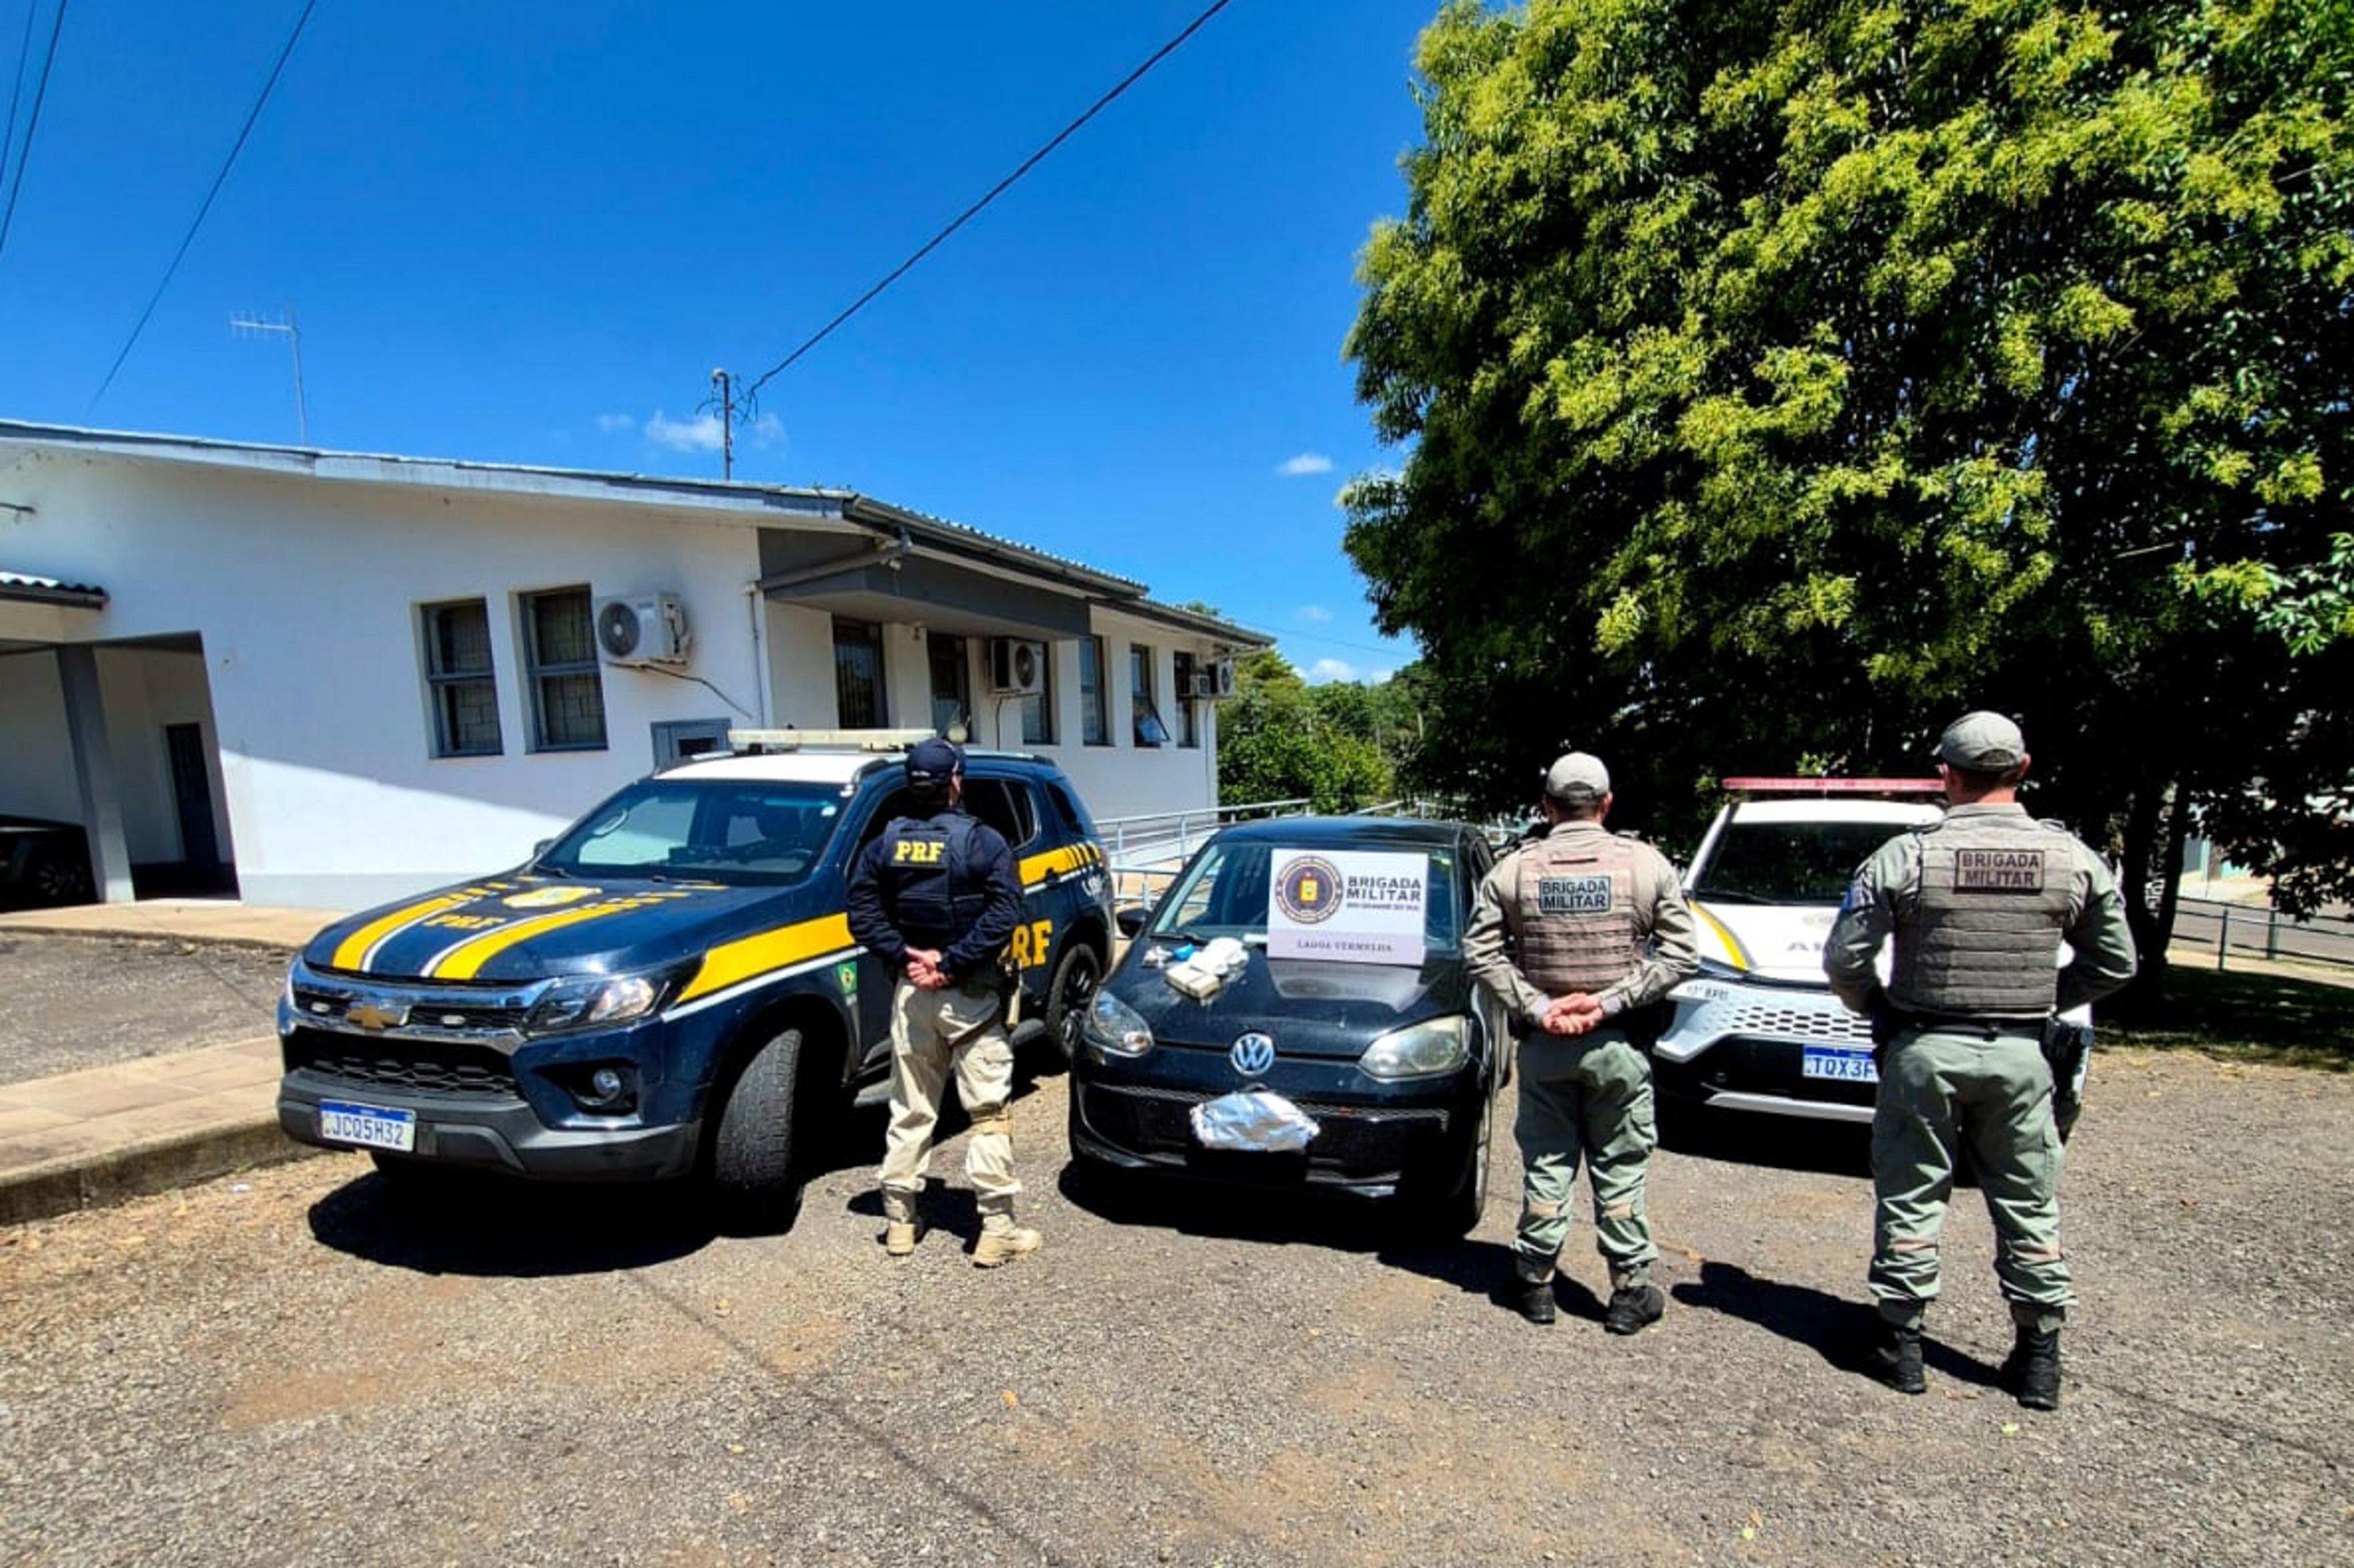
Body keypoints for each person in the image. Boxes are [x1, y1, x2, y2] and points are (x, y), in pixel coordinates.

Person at [1823, 711, 2137, 1410]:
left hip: (1923, 1047)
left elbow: (1844, 958)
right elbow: (2116, 962)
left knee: (1911, 1190)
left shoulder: (1907, 856)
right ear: (2021, 770)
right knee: (2027, 1200)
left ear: (1947, 776)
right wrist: (2047, 997)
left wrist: (1879, 1008)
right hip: (2022, 1053)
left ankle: (1900, 1343)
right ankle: (2038, 1358)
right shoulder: (2071, 859)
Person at [1466, 751, 1699, 1331]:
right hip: (1618, 1043)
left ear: (1545, 806)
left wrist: (1540, 1007)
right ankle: (1626, 1293)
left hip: (1545, 1045)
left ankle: (1536, 1282)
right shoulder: (1645, 865)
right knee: (1619, 1165)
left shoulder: (1514, 870)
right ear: (1606, 803)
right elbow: (1681, 954)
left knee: (1546, 1162)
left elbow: (1480, 953)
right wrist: (1609, 1001)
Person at [845, 738, 1041, 1267]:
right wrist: (950, 962)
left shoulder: (883, 845)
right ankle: (996, 1231)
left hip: (912, 996)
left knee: (909, 1111)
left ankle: (900, 1224)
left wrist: (907, 955)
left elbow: (860, 915)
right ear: (956, 781)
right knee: (988, 1115)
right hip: (969, 998)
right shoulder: (984, 842)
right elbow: (1004, 915)